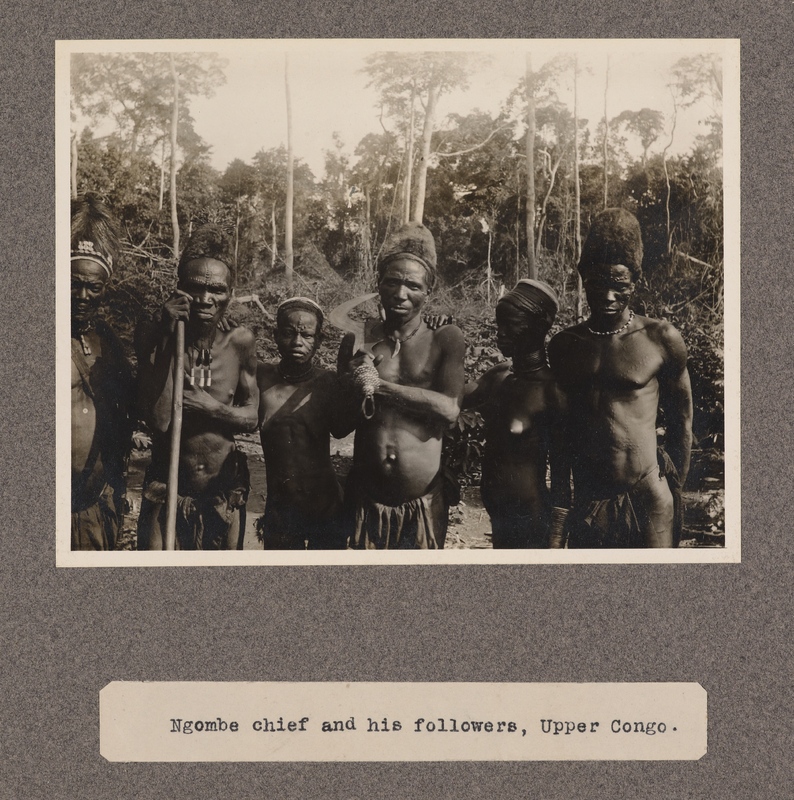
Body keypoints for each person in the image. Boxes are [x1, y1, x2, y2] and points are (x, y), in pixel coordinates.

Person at [548, 208, 693, 548]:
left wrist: (675, 489)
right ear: (584, 279)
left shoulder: (661, 338)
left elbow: (682, 422)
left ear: (635, 282)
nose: (608, 296)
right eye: (598, 284)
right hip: (590, 501)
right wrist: (560, 507)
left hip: (648, 498)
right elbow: (560, 433)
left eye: (620, 285)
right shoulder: (566, 346)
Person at [339, 222, 465, 549]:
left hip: (422, 503)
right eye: (392, 281)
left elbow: (449, 409)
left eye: (413, 285)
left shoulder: (445, 338)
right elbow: (339, 426)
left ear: (429, 290)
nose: (400, 293)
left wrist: (379, 387)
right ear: (378, 284)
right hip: (366, 499)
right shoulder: (358, 338)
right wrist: (351, 383)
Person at [135, 224, 259, 550]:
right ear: (179, 289)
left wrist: (211, 407)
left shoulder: (240, 342)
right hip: (168, 487)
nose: (205, 299)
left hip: (223, 490)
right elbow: (160, 420)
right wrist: (165, 336)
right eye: (195, 288)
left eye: (216, 289)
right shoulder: (153, 333)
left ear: (229, 294)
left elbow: (251, 418)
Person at [463, 280, 569, 548]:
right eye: (499, 324)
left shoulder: (551, 391)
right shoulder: (498, 376)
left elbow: (561, 473)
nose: (501, 333)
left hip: (531, 520)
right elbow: (451, 399)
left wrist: (557, 537)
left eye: (511, 324)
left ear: (538, 327)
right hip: (498, 516)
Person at [256, 297, 354, 550]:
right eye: (288, 333)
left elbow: (342, 428)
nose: (297, 342)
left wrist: (348, 382)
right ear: (276, 336)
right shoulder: (261, 377)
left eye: (307, 335)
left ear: (318, 341)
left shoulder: (327, 382)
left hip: (326, 506)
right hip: (281, 510)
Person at [70, 193, 134, 550]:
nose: (82, 295)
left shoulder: (106, 341)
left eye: (93, 287)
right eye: (73, 282)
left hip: (97, 504)